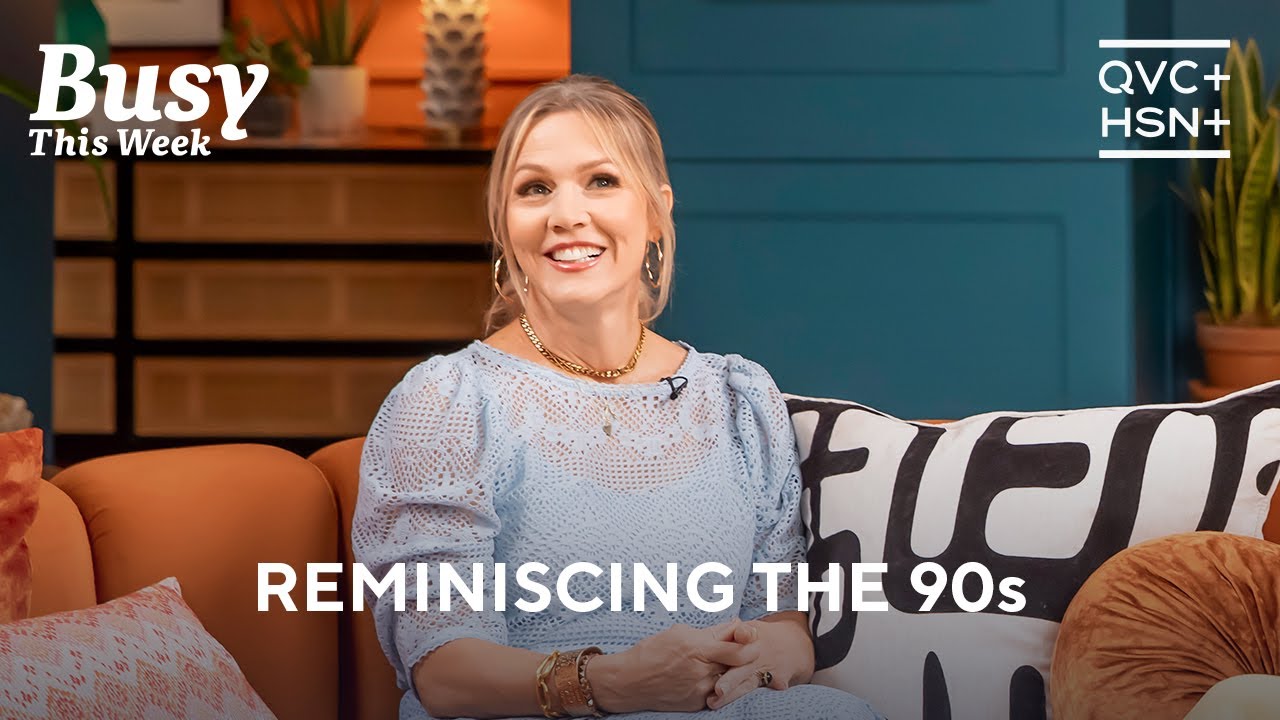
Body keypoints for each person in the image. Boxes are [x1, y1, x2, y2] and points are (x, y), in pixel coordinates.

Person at [351, 74, 882, 720]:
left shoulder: (739, 402)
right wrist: (614, 682)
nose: (566, 215)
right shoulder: (447, 402)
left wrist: (774, 652)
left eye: (601, 181)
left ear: (656, 212)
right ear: (504, 225)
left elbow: (782, 623)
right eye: (534, 188)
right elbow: (444, 671)